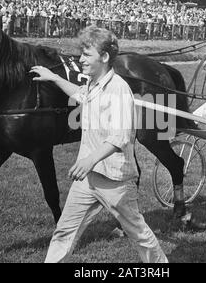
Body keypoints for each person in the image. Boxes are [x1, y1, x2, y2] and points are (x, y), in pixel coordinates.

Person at [30, 26, 168, 263]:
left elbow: (120, 136)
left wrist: (89, 159)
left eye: (87, 55)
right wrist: (54, 78)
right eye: (81, 54)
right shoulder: (94, 83)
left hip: (115, 181)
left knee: (139, 234)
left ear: (104, 57)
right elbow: (80, 95)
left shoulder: (118, 89)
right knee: (64, 231)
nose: (80, 59)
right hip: (87, 179)